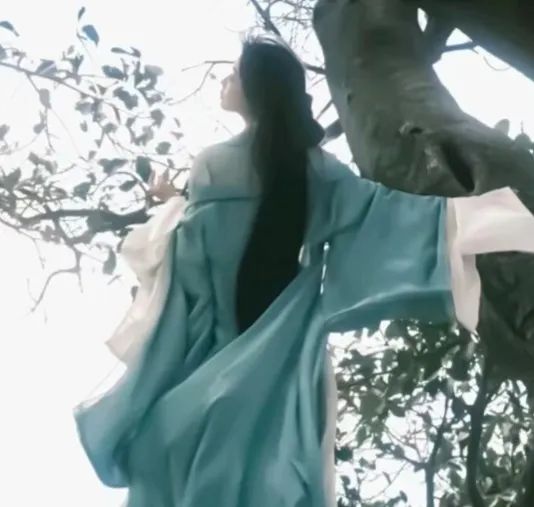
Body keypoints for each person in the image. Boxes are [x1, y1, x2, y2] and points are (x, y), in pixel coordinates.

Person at [73, 35, 534, 507]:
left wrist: (173, 209)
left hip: (214, 362)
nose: (226, 80)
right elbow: (381, 214)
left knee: (159, 452)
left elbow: (195, 261)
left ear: (257, 87)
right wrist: (476, 221)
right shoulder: (313, 170)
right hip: (275, 362)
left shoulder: (214, 166)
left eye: (235, 73)